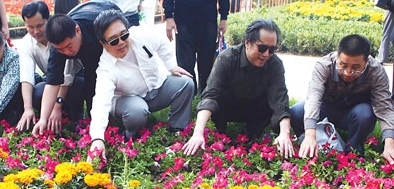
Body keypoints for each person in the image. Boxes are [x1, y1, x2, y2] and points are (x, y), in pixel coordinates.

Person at [88, 9, 194, 160]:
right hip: (129, 101)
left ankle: (177, 129)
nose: (121, 42)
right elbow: (100, 102)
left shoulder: (140, 35)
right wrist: (97, 138)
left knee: (186, 83)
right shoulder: (106, 68)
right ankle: (131, 136)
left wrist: (171, 66)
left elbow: (162, 42)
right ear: (103, 43)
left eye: (124, 35)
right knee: (137, 110)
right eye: (113, 40)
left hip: (155, 88)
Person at [182, 19, 294, 158]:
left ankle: (251, 134)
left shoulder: (275, 64)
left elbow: (280, 101)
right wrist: (198, 133)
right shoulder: (227, 59)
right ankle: (222, 132)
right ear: (247, 43)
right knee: (218, 97)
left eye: (272, 50)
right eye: (262, 48)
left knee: (271, 103)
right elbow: (210, 95)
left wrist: (284, 134)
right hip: (229, 106)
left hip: (256, 109)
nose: (266, 54)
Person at [291, 34, 394, 163]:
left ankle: (353, 151)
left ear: (366, 62)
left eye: (356, 68)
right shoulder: (324, 65)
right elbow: (314, 98)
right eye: (343, 65)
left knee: (365, 115)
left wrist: (390, 144)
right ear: (337, 57)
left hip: (355, 113)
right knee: (296, 112)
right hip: (326, 107)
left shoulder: (376, 72)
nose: (348, 72)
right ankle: (308, 143)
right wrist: (310, 135)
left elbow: (384, 108)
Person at [32, 0, 121, 136]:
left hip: (107, 28)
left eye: (69, 46)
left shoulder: (100, 26)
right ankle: (96, 128)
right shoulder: (58, 49)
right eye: (60, 49)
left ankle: (116, 124)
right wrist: (43, 119)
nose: (67, 52)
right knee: (90, 87)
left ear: (77, 30)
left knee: (104, 81)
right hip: (87, 50)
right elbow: (52, 83)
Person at [16, 0, 84, 131]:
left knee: (77, 88)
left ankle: (77, 120)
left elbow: (67, 75)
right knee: (37, 92)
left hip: (73, 80)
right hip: (52, 82)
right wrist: (28, 108)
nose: (35, 31)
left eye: (40, 25)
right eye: (30, 27)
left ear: (48, 19)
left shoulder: (60, 35)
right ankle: (54, 121)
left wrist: (57, 106)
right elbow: (26, 76)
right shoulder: (26, 43)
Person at [163, 0, 229, 93]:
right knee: (186, 64)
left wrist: (224, 18)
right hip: (183, 22)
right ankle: (189, 97)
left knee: (207, 64)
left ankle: (205, 97)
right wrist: (169, 17)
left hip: (208, 21)